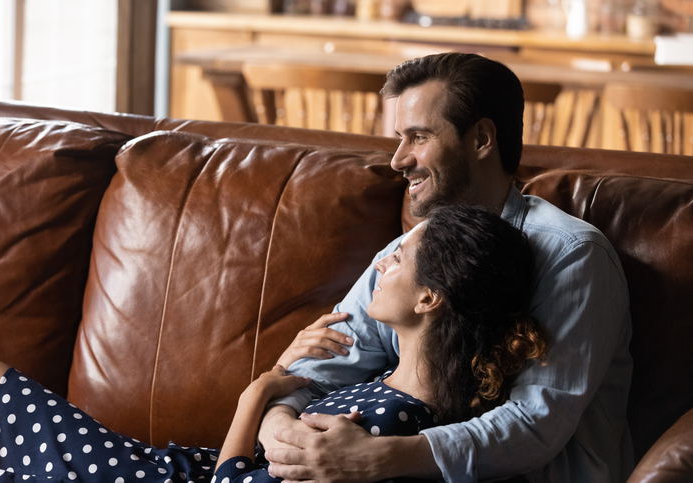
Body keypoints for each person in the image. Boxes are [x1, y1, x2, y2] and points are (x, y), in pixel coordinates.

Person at [259, 52, 634, 483]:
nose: (398, 159)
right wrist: (278, 430)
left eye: (418, 137)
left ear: (481, 139)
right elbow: (316, 369)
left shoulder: (571, 254)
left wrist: (379, 459)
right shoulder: (404, 254)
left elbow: (535, 422)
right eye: (399, 137)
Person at [0, 206, 545, 483]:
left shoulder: (388, 425)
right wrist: (278, 376)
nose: (381, 260)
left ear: (429, 300)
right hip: (163, 468)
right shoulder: (387, 390)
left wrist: (259, 391)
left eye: (399, 256)